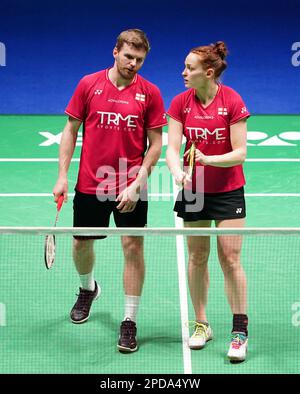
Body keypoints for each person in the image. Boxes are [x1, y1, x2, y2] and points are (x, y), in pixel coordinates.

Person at [53, 29, 167, 353]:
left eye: (140, 60)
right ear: (115, 52)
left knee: (133, 248)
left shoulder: (150, 93)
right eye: (129, 57)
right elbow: (70, 130)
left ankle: (129, 320)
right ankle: (88, 289)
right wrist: (62, 176)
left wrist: (138, 183)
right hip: (91, 182)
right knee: (81, 244)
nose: (133, 64)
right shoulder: (89, 84)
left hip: (130, 185)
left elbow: (156, 144)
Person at [166, 41, 250, 362]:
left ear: (209, 72)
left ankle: (240, 330)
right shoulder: (180, 103)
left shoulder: (232, 100)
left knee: (229, 258)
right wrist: (178, 172)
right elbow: (173, 148)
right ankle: (201, 323)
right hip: (195, 188)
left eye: (190, 68)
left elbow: (240, 152)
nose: (184, 72)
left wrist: (207, 160)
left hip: (228, 188)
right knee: (197, 256)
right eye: (185, 67)